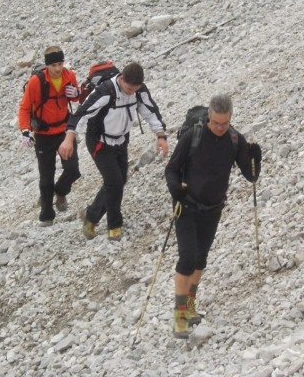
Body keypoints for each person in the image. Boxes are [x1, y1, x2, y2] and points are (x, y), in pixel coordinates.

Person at [164, 94, 262, 338]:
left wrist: (255, 158)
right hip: (186, 207)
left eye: (225, 123)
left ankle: (189, 305)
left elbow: (250, 177)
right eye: (216, 123)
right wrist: (175, 189)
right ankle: (179, 316)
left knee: (200, 259)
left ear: (230, 119)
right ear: (209, 117)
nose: (220, 128)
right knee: (186, 258)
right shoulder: (192, 136)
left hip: (213, 208)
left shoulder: (234, 139)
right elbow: (172, 169)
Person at [58, 62, 168, 241]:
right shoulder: (105, 90)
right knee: (114, 182)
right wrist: (69, 138)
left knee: (119, 180)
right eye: (128, 88)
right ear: (122, 79)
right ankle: (114, 225)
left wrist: (161, 136)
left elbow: (150, 112)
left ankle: (90, 215)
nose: (130, 92)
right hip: (99, 142)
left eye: (135, 89)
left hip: (121, 141)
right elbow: (82, 113)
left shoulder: (139, 91)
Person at [18, 46, 82, 226]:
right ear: (47, 66)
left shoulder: (69, 76)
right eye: (54, 65)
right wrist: (25, 131)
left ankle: (60, 191)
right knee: (46, 177)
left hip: (64, 131)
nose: (58, 68)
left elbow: (77, 98)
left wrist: (76, 93)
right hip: (43, 135)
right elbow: (24, 108)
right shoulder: (36, 82)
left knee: (73, 170)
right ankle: (46, 216)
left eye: (60, 63)